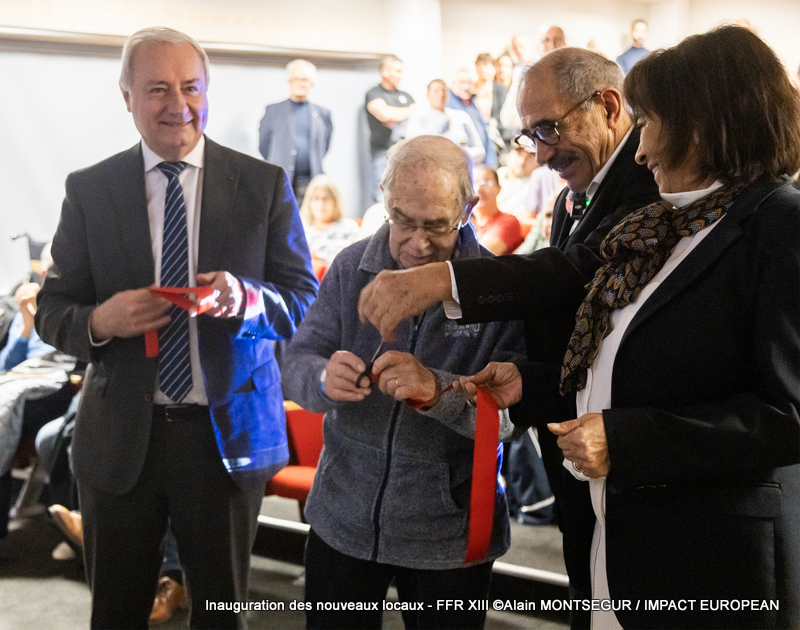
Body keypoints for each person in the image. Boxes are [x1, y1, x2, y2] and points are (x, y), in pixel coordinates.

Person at [463, 25, 800, 629]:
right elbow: (629, 368)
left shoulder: (779, 224)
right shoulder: (671, 226)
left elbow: (788, 416)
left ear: (709, 122)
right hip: (627, 541)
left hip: (713, 559)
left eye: (648, 123)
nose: (639, 152)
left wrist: (626, 441)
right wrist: (533, 383)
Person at [357, 48, 660, 624]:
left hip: (626, 448)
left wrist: (443, 279)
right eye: (530, 136)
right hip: (571, 433)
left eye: (549, 129)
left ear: (609, 105)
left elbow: (576, 273)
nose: (541, 154)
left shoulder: (649, 182)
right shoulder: (585, 185)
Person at [34, 26, 318, 629]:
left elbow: (302, 303)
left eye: (191, 87)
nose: (178, 105)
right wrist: (102, 320)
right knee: (115, 614)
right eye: (158, 89)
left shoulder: (262, 185)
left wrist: (242, 299)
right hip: (119, 439)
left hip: (225, 438)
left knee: (221, 616)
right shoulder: (90, 190)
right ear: (127, 97)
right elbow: (55, 310)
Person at [282, 136, 524, 629]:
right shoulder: (352, 267)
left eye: (436, 224)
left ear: (468, 207)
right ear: (384, 199)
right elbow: (296, 362)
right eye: (403, 220)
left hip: (448, 534)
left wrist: (437, 390)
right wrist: (324, 379)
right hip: (341, 519)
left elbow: (511, 420)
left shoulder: (498, 287)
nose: (417, 242)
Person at [258, 59, 333, 204]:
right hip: (281, 181)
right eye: (296, 79)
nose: (300, 83)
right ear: (289, 82)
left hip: (311, 182)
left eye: (305, 79)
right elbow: (264, 145)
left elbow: (325, 145)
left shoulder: (323, 114)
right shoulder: (273, 111)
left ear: (311, 84)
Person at [365, 55, 415, 202]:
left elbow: (418, 113)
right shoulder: (374, 93)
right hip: (383, 155)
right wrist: (406, 113)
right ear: (385, 71)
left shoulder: (406, 96)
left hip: (406, 156)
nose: (401, 75)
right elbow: (384, 115)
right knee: (384, 198)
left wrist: (396, 116)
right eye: (397, 71)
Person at [400, 79, 485, 164]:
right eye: (436, 91)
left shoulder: (461, 116)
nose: (441, 94)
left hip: (461, 166)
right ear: (428, 95)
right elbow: (412, 146)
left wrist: (460, 155)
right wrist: (442, 123)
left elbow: (480, 150)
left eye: (444, 91)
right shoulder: (418, 116)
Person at [299, 174, 360, 269]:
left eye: (325, 199)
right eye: (316, 199)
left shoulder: (349, 227)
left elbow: (356, 260)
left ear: (335, 201)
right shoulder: (301, 229)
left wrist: (318, 259)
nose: (320, 204)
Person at [448, 68, 497, 167]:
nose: (466, 86)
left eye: (469, 83)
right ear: (453, 84)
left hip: (483, 164)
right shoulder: (448, 106)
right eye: (462, 82)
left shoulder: (473, 103)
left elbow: (486, 135)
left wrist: (490, 165)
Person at [471, 166, 523, 255]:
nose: (479, 189)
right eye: (473, 183)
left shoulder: (508, 221)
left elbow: (478, 255)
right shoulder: (463, 222)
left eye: (486, 182)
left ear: (498, 188)